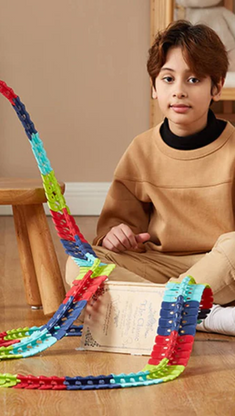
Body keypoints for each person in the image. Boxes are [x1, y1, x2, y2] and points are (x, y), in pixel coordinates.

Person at [65, 20, 235, 336]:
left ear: (216, 86)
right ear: (154, 88)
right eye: (168, 79)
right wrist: (118, 233)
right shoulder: (141, 149)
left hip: (219, 270)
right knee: (81, 264)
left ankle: (154, 308)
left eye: (194, 79)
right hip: (159, 266)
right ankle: (198, 314)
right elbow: (115, 231)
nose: (179, 90)